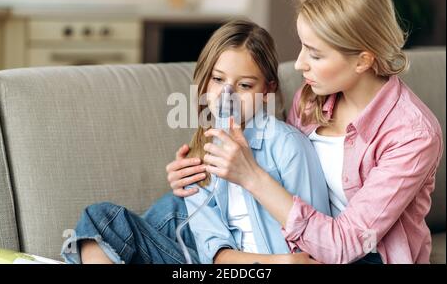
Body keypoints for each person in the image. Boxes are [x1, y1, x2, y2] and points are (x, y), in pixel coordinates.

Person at [168, 0, 443, 264]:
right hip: (295, 241)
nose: (299, 64)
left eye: (314, 54)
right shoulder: (311, 98)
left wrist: (251, 177)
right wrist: (196, 172)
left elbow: (346, 245)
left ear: (363, 60)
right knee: (176, 205)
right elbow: (281, 167)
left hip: (363, 256)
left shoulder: (412, 135)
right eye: (302, 47)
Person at [60, 19, 331, 264]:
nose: (228, 95)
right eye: (218, 79)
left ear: (267, 90)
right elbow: (216, 255)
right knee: (101, 219)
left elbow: (316, 244)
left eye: (245, 85)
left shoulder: (288, 147)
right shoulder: (204, 153)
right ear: (205, 80)